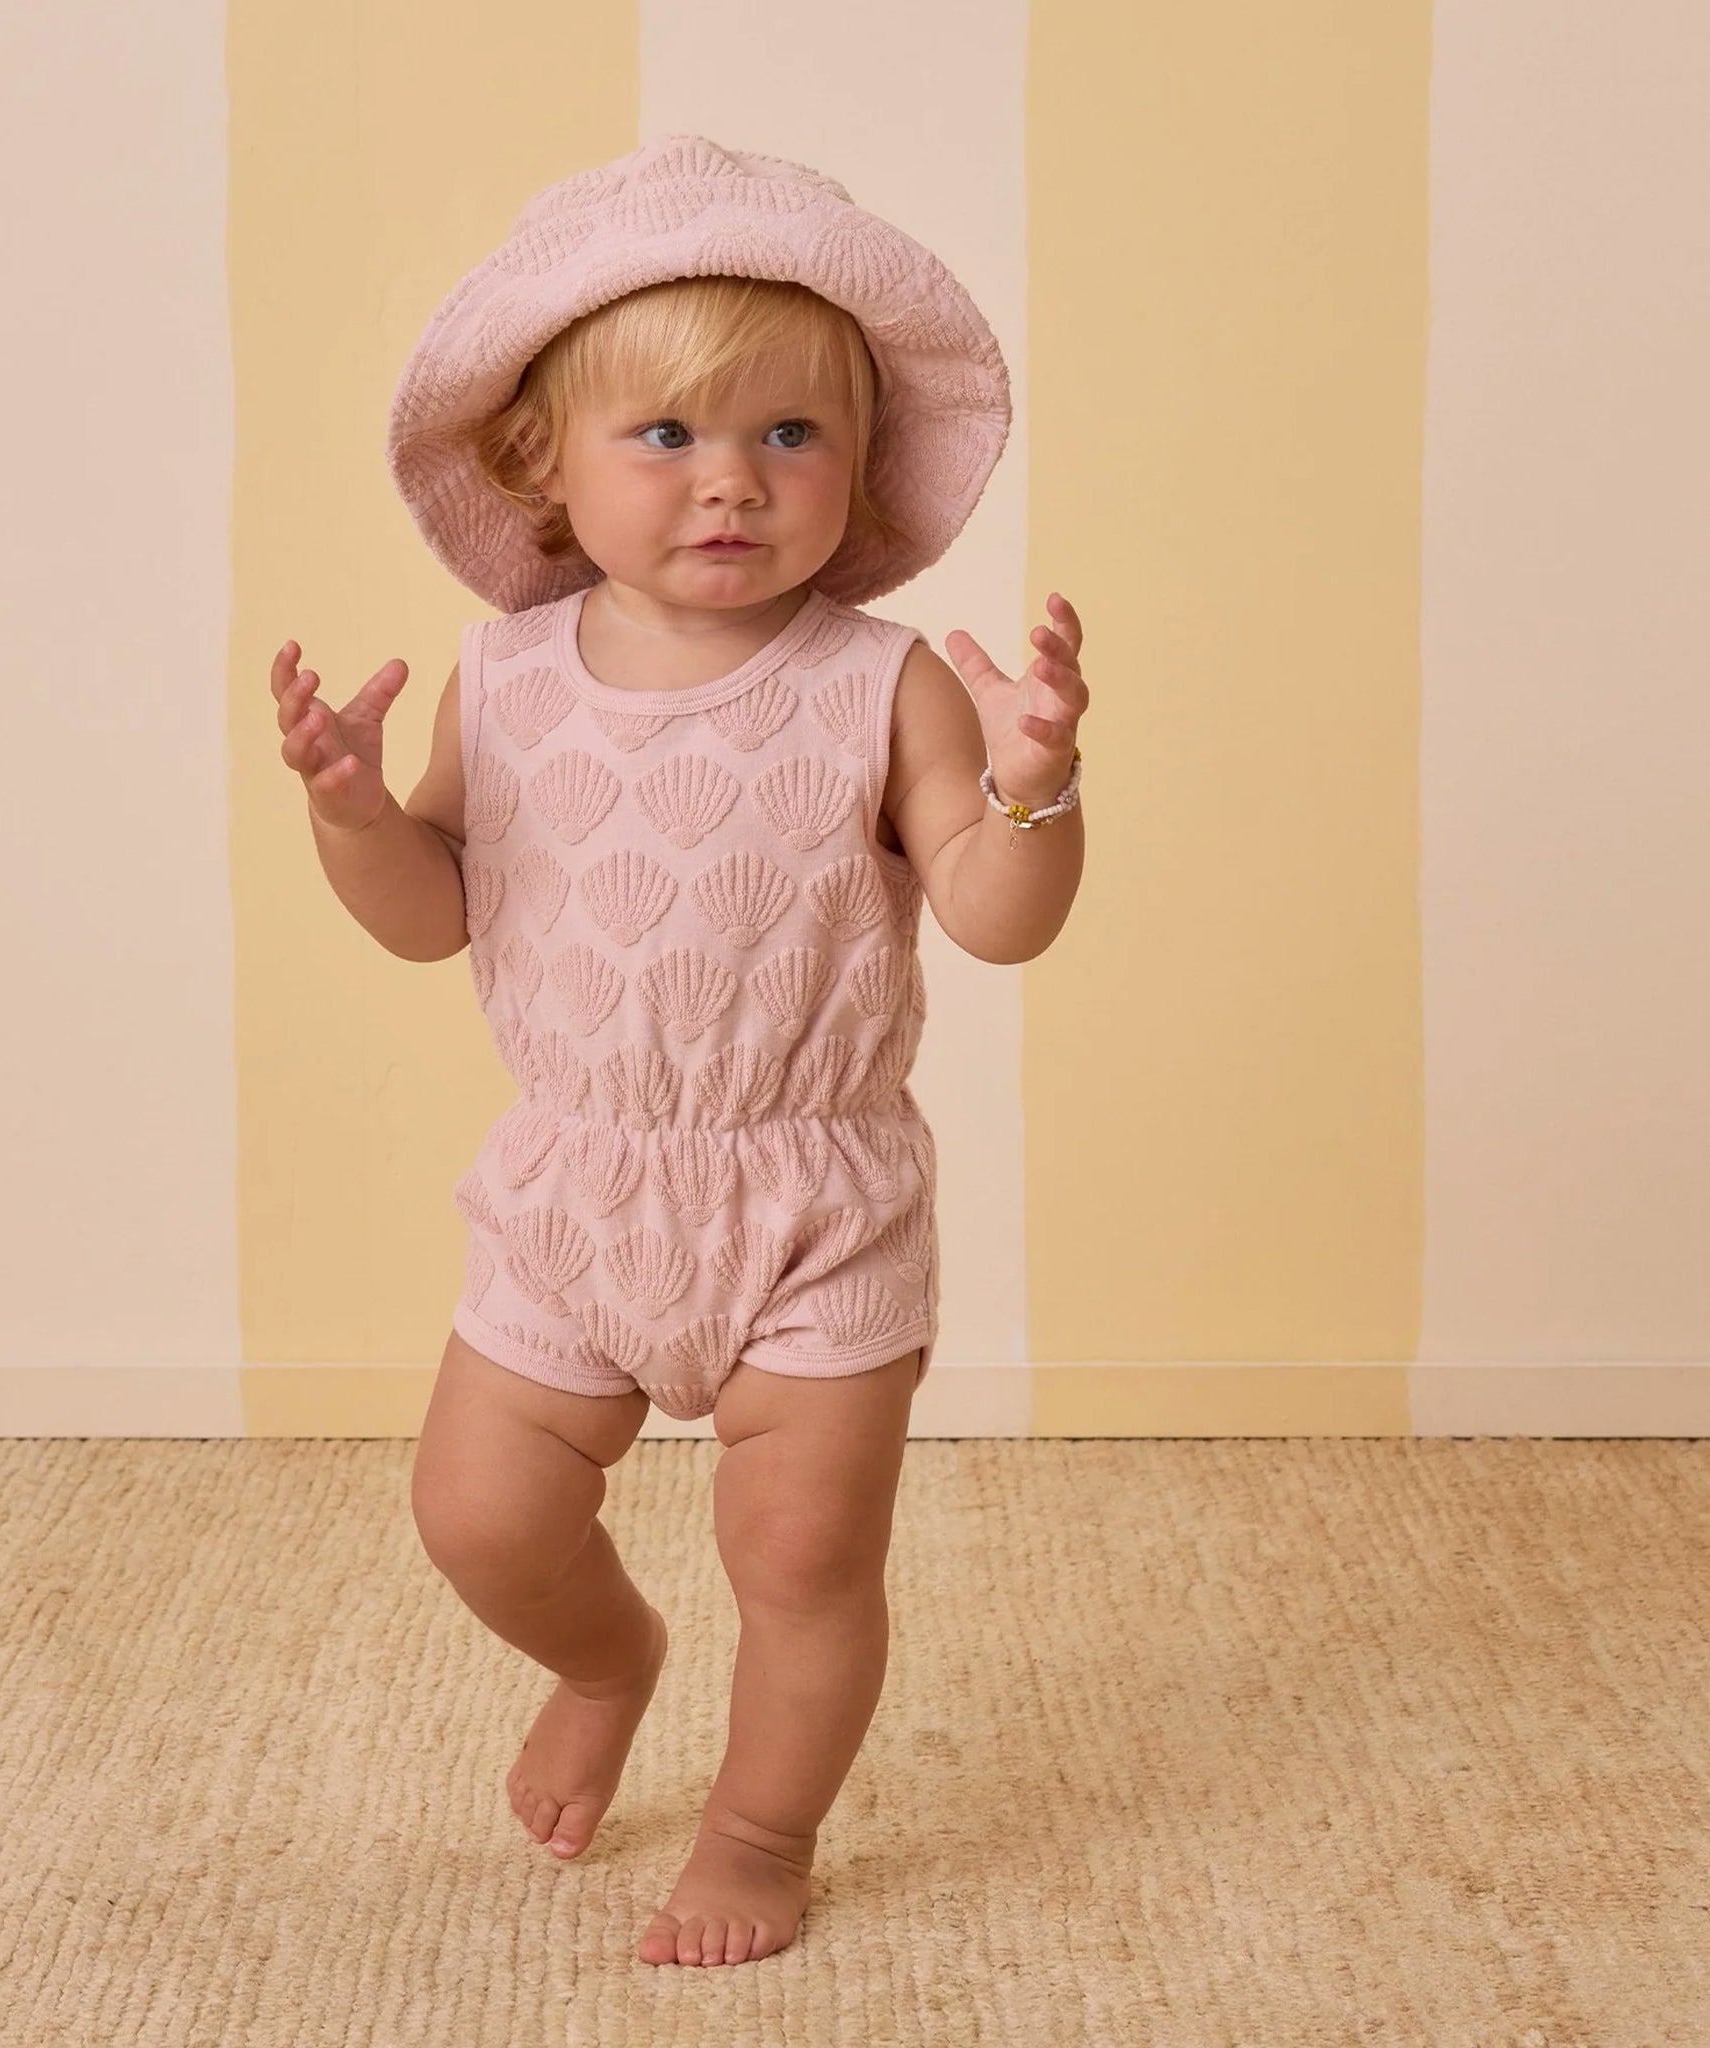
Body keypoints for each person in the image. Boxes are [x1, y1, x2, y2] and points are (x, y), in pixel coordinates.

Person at [269, 134, 1089, 1969]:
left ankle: (760, 1823)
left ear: (858, 471)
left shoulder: (884, 681)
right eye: (669, 439)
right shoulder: (513, 675)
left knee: (802, 1560)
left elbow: (991, 913)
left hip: (813, 1196)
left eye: (791, 438)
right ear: (541, 464)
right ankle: (605, 1655)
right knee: (478, 1513)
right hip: (578, 1179)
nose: (733, 483)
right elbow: (433, 915)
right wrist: (351, 817)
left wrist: (1035, 801)